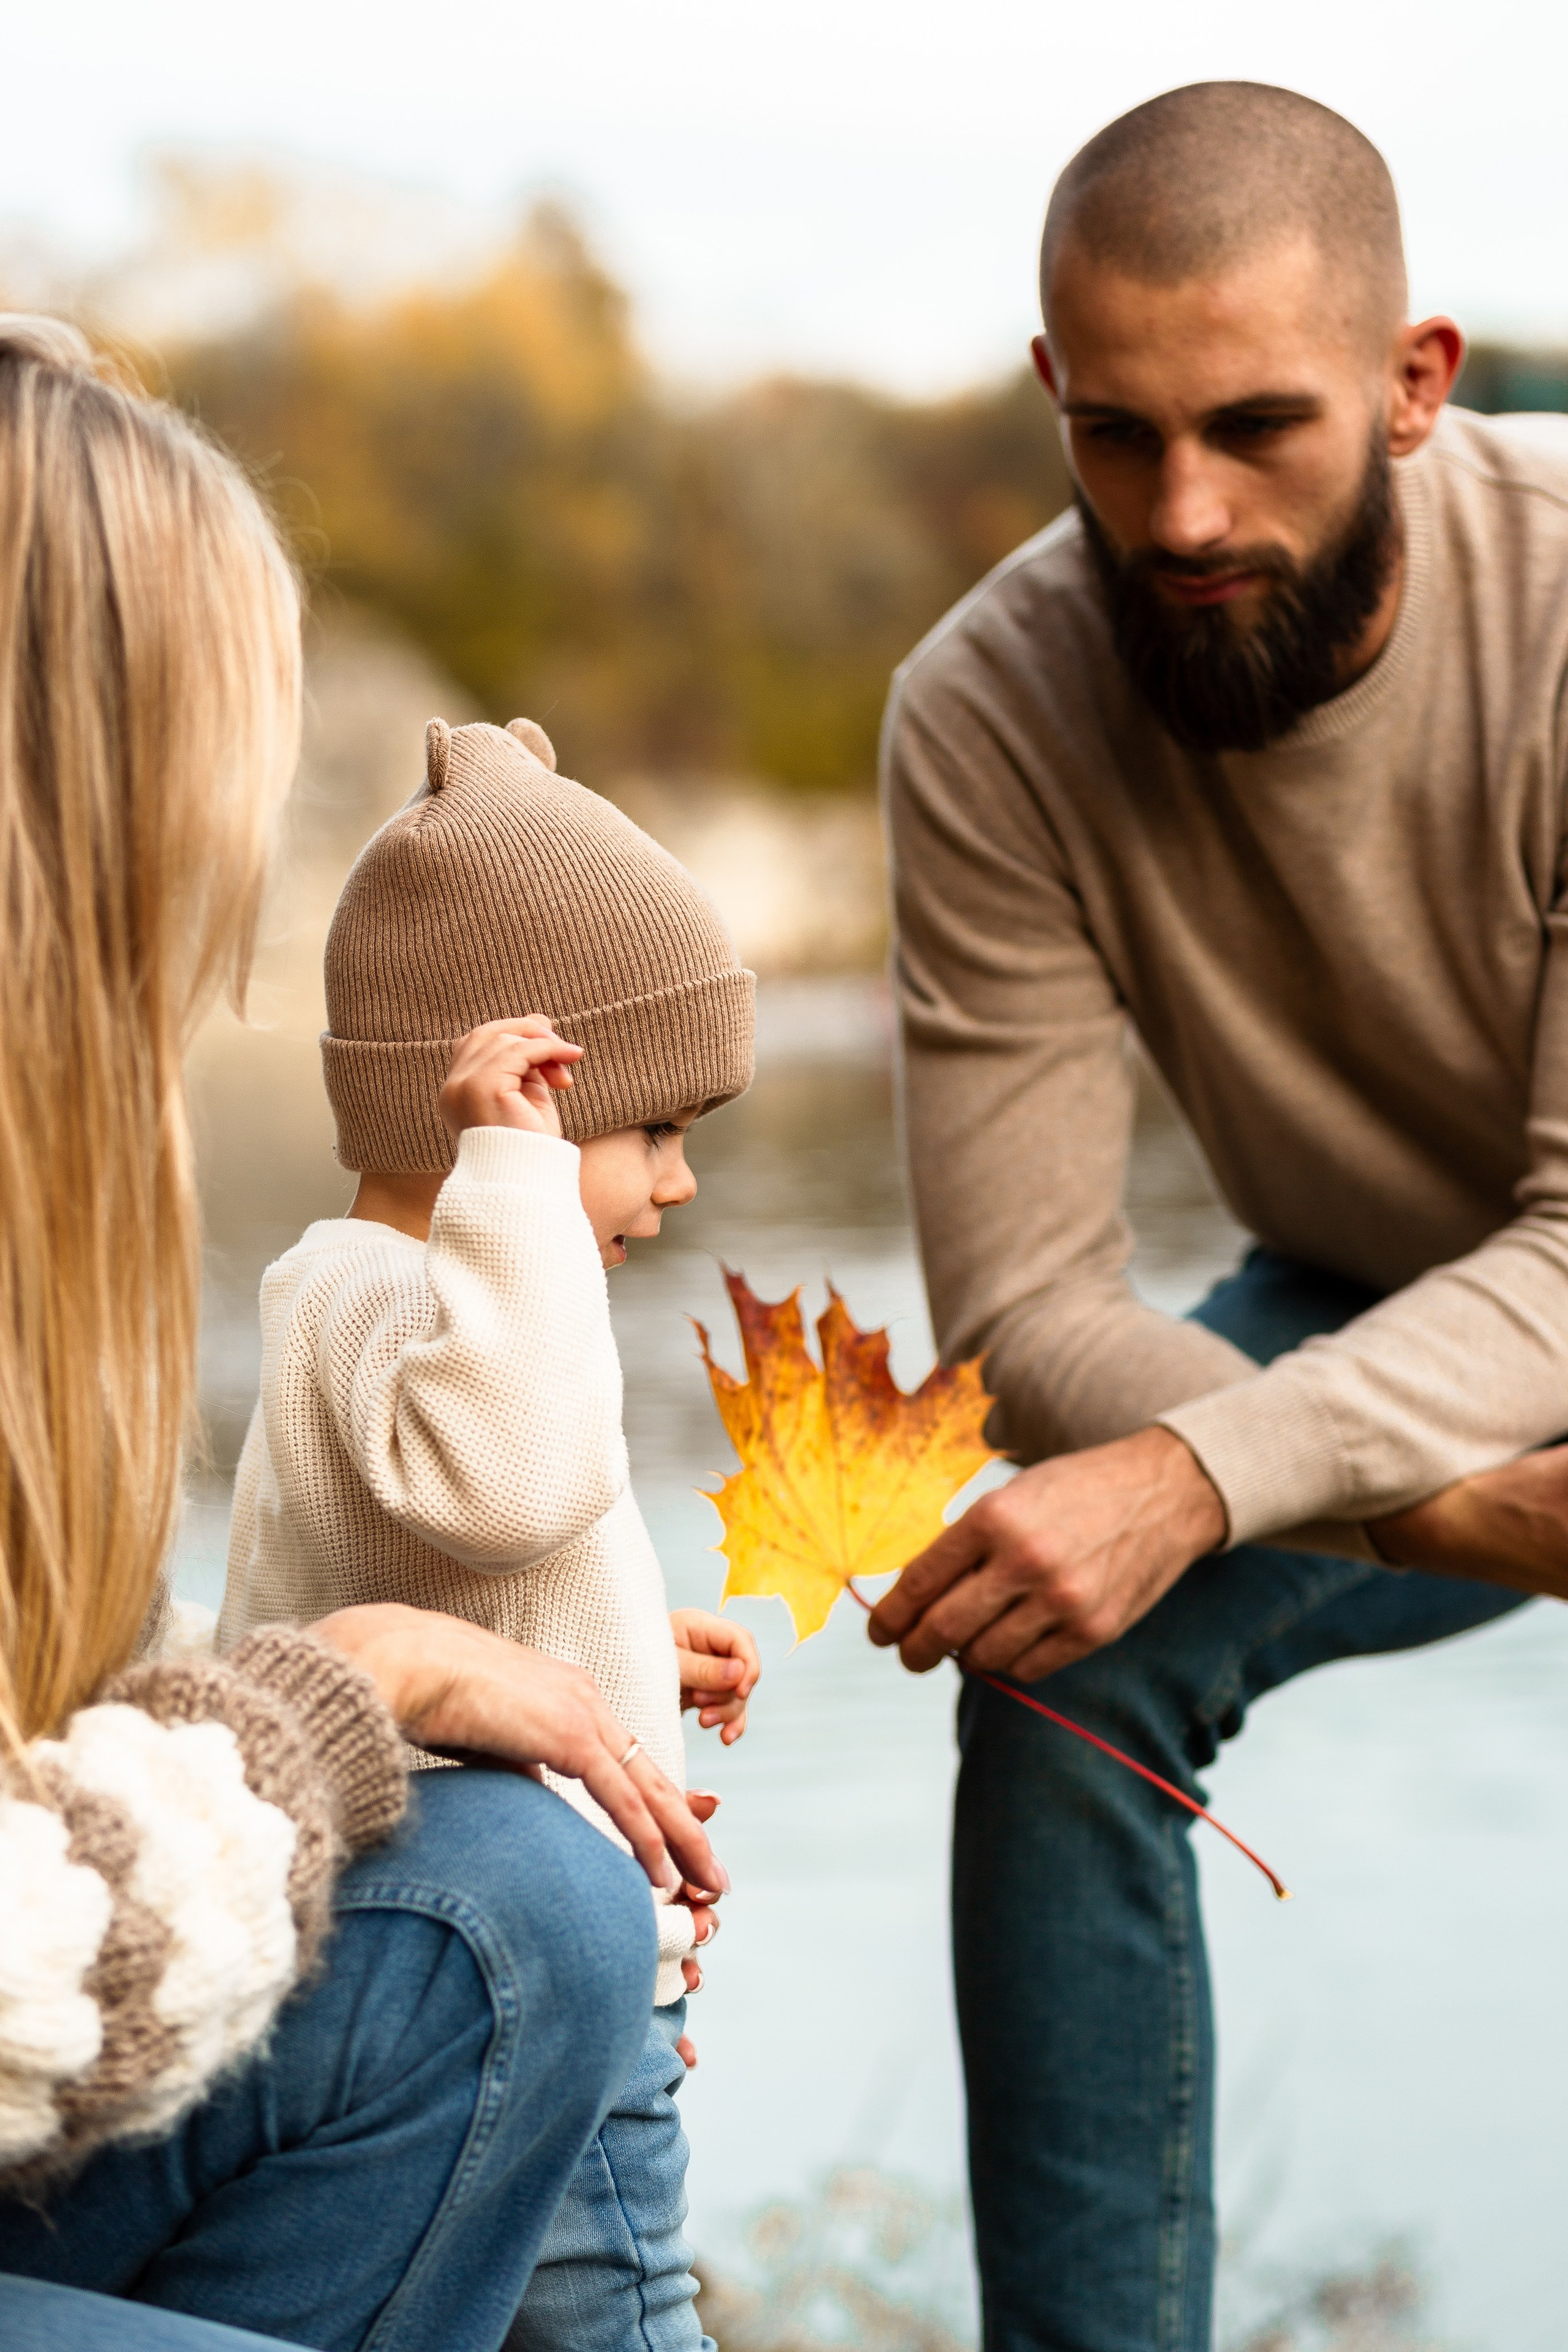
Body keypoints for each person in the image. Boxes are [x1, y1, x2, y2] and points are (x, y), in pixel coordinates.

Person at [870, 81, 1568, 2352]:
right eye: (1118, 436)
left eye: (1260, 427)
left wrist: (1213, 1472)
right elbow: (1027, 1303)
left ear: (1418, 383)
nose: (1181, 513)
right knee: (1070, 1663)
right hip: (1367, 1302)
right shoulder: (986, 713)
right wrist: (1446, 1514)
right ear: (1050, 393)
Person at [0, 314, 728, 2352]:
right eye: (213, 767)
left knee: (519, 1911)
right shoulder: (437, 1260)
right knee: (534, 1957)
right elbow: (501, 1475)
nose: (236, 860)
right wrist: (363, 1677)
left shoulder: (221, 1265)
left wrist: (569, 1641)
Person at [217, 711, 761, 2352]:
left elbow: (436, 1573)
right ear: (517, 1089)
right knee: (629, 2323)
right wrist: (516, 1185)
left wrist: (620, 1635)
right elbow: (514, 1479)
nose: (673, 1191)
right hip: (516, 1996)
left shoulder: (409, 1310)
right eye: (653, 1132)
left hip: (515, 1989)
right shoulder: (384, 1289)